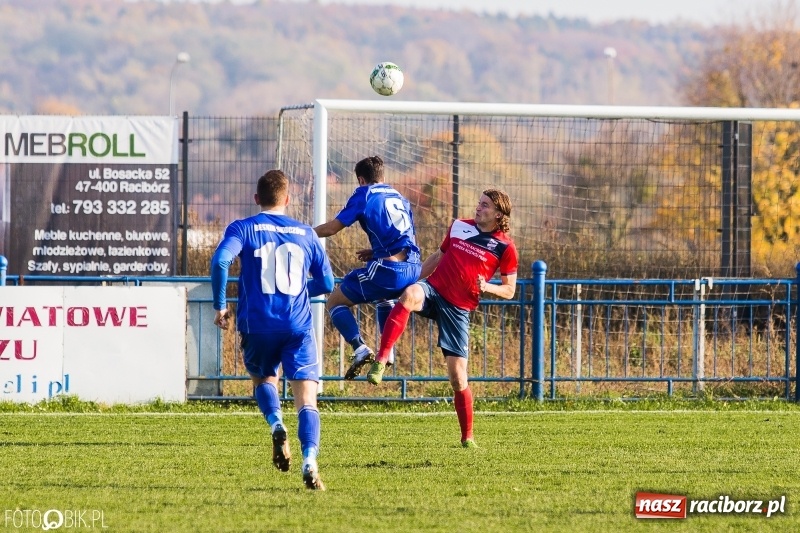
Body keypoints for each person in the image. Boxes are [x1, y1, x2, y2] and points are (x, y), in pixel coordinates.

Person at [211, 169, 334, 491]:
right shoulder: (306, 233)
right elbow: (328, 283)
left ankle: (276, 424)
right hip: (297, 325)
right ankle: (310, 460)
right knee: (307, 399)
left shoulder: (244, 228)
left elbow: (221, 261)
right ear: (287, 199)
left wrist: (221, 305)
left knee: (264, 379)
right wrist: (301, 290)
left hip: (257, 323)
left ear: (256, 199)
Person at [367, 189, 518, 448]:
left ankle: (467, 436)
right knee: (410, 295)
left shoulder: (505, 247)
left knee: (458, 378)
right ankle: (382, 358)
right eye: (479, 203)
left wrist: (488, 287)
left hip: (458, 310)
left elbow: (509, 290)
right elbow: (438, 256)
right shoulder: (459, 226)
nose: (478, 208)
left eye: (484, 205)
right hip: (434, 290)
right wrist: (412, 280)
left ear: (498, 214)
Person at [314, 155, 421, 380]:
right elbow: (404, 236)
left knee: (334, 301)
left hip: (390, 270)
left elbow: (333, 228)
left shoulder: (364, 194)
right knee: (383, 297)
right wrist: (375, 252)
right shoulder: (399, 197)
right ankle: (387, 351)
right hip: (413, 267)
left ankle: (360, 349)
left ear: (361, 179)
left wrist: (304, 232)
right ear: (383, 176)